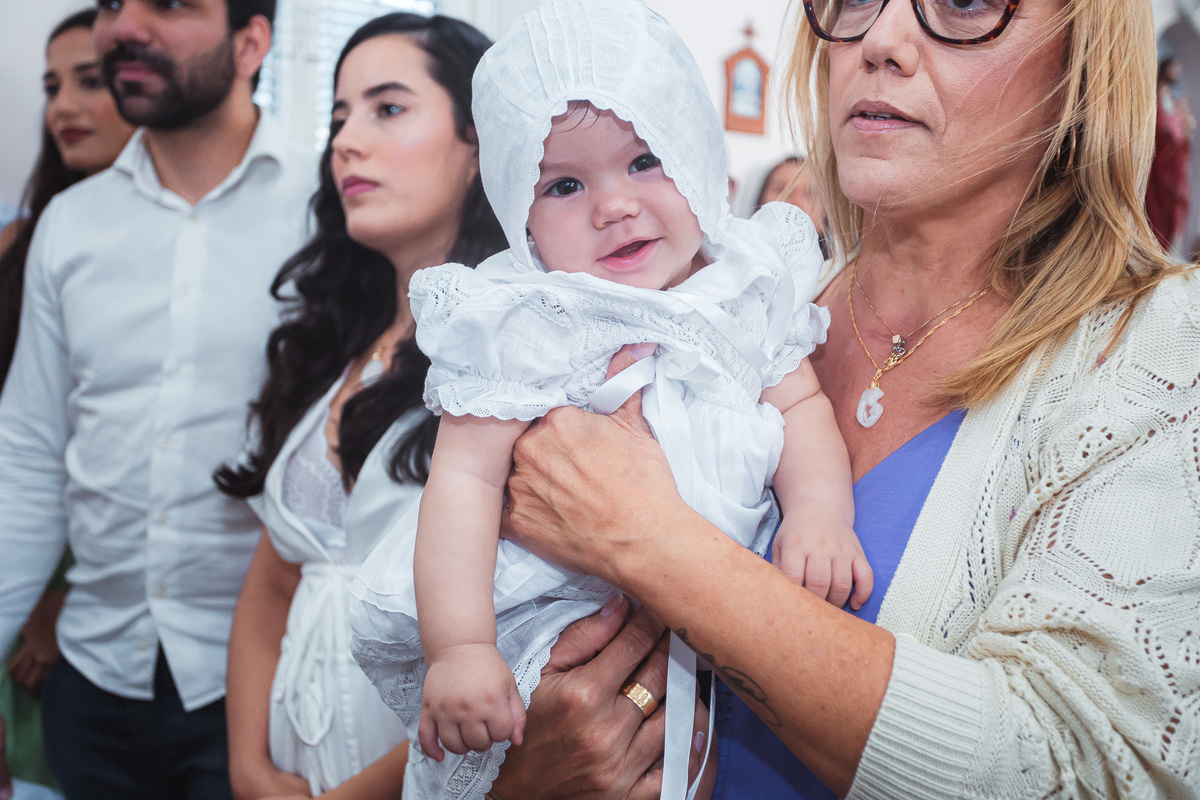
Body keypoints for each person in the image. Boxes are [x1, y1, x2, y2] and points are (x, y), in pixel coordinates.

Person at [491, 0, 1200, 798]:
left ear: (1083, 60)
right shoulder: (742, 319)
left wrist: (649, 542)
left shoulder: (1159, 349)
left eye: (965, 3)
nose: (882, 41)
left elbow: (1079, 766)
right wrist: (517, 779)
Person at [350, 2, 868, 797]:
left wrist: (819, 515)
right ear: (517, 218)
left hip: (728, 634)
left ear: (699, 158)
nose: (614, 205)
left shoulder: (743, 292)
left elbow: (801, 410)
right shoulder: (529, 321)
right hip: (552, 625)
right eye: (563, 184)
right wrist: (461, 649)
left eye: (644, 162)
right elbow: (463, 482)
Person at [0, 0, 315, 796]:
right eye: (111, 4)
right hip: (92, 685)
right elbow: (30, 457)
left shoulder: (333, 214)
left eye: (168, 4)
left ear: (252, 42)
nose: (123, 27)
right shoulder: (70, 227)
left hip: (270, 697)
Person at [214, 12, 504, 800]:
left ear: (478, 141)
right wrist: (248, 769)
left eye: (387, 108)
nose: (345, 140)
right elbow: (274, 582)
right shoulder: (341, 342)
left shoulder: (517, 359)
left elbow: (527, 641)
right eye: (339, 116)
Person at [0, 13, 136, 798]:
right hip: (26, 544)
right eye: (54, 86)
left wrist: (61, 597)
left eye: (91, 81)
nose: (65, 106)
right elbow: (26, 438)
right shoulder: (30, 239)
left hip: (95, 590)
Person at [1146, 55, 1195, 254]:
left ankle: (1165, 249)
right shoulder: (1155, 98)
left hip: (1173, 164)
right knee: (1155, 207)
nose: (1177, 73)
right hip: (1159, 162)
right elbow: (1158, 128)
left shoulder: (1174, 101)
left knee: (1175, 206)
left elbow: (1181, 132)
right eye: (1175, 68)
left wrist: (1184, 128)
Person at [754, 155, 828, 256]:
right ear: (761, 198)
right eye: (783, 190)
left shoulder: (841, 269)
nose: (795, 203)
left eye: (809, 194)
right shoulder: (730, 262)